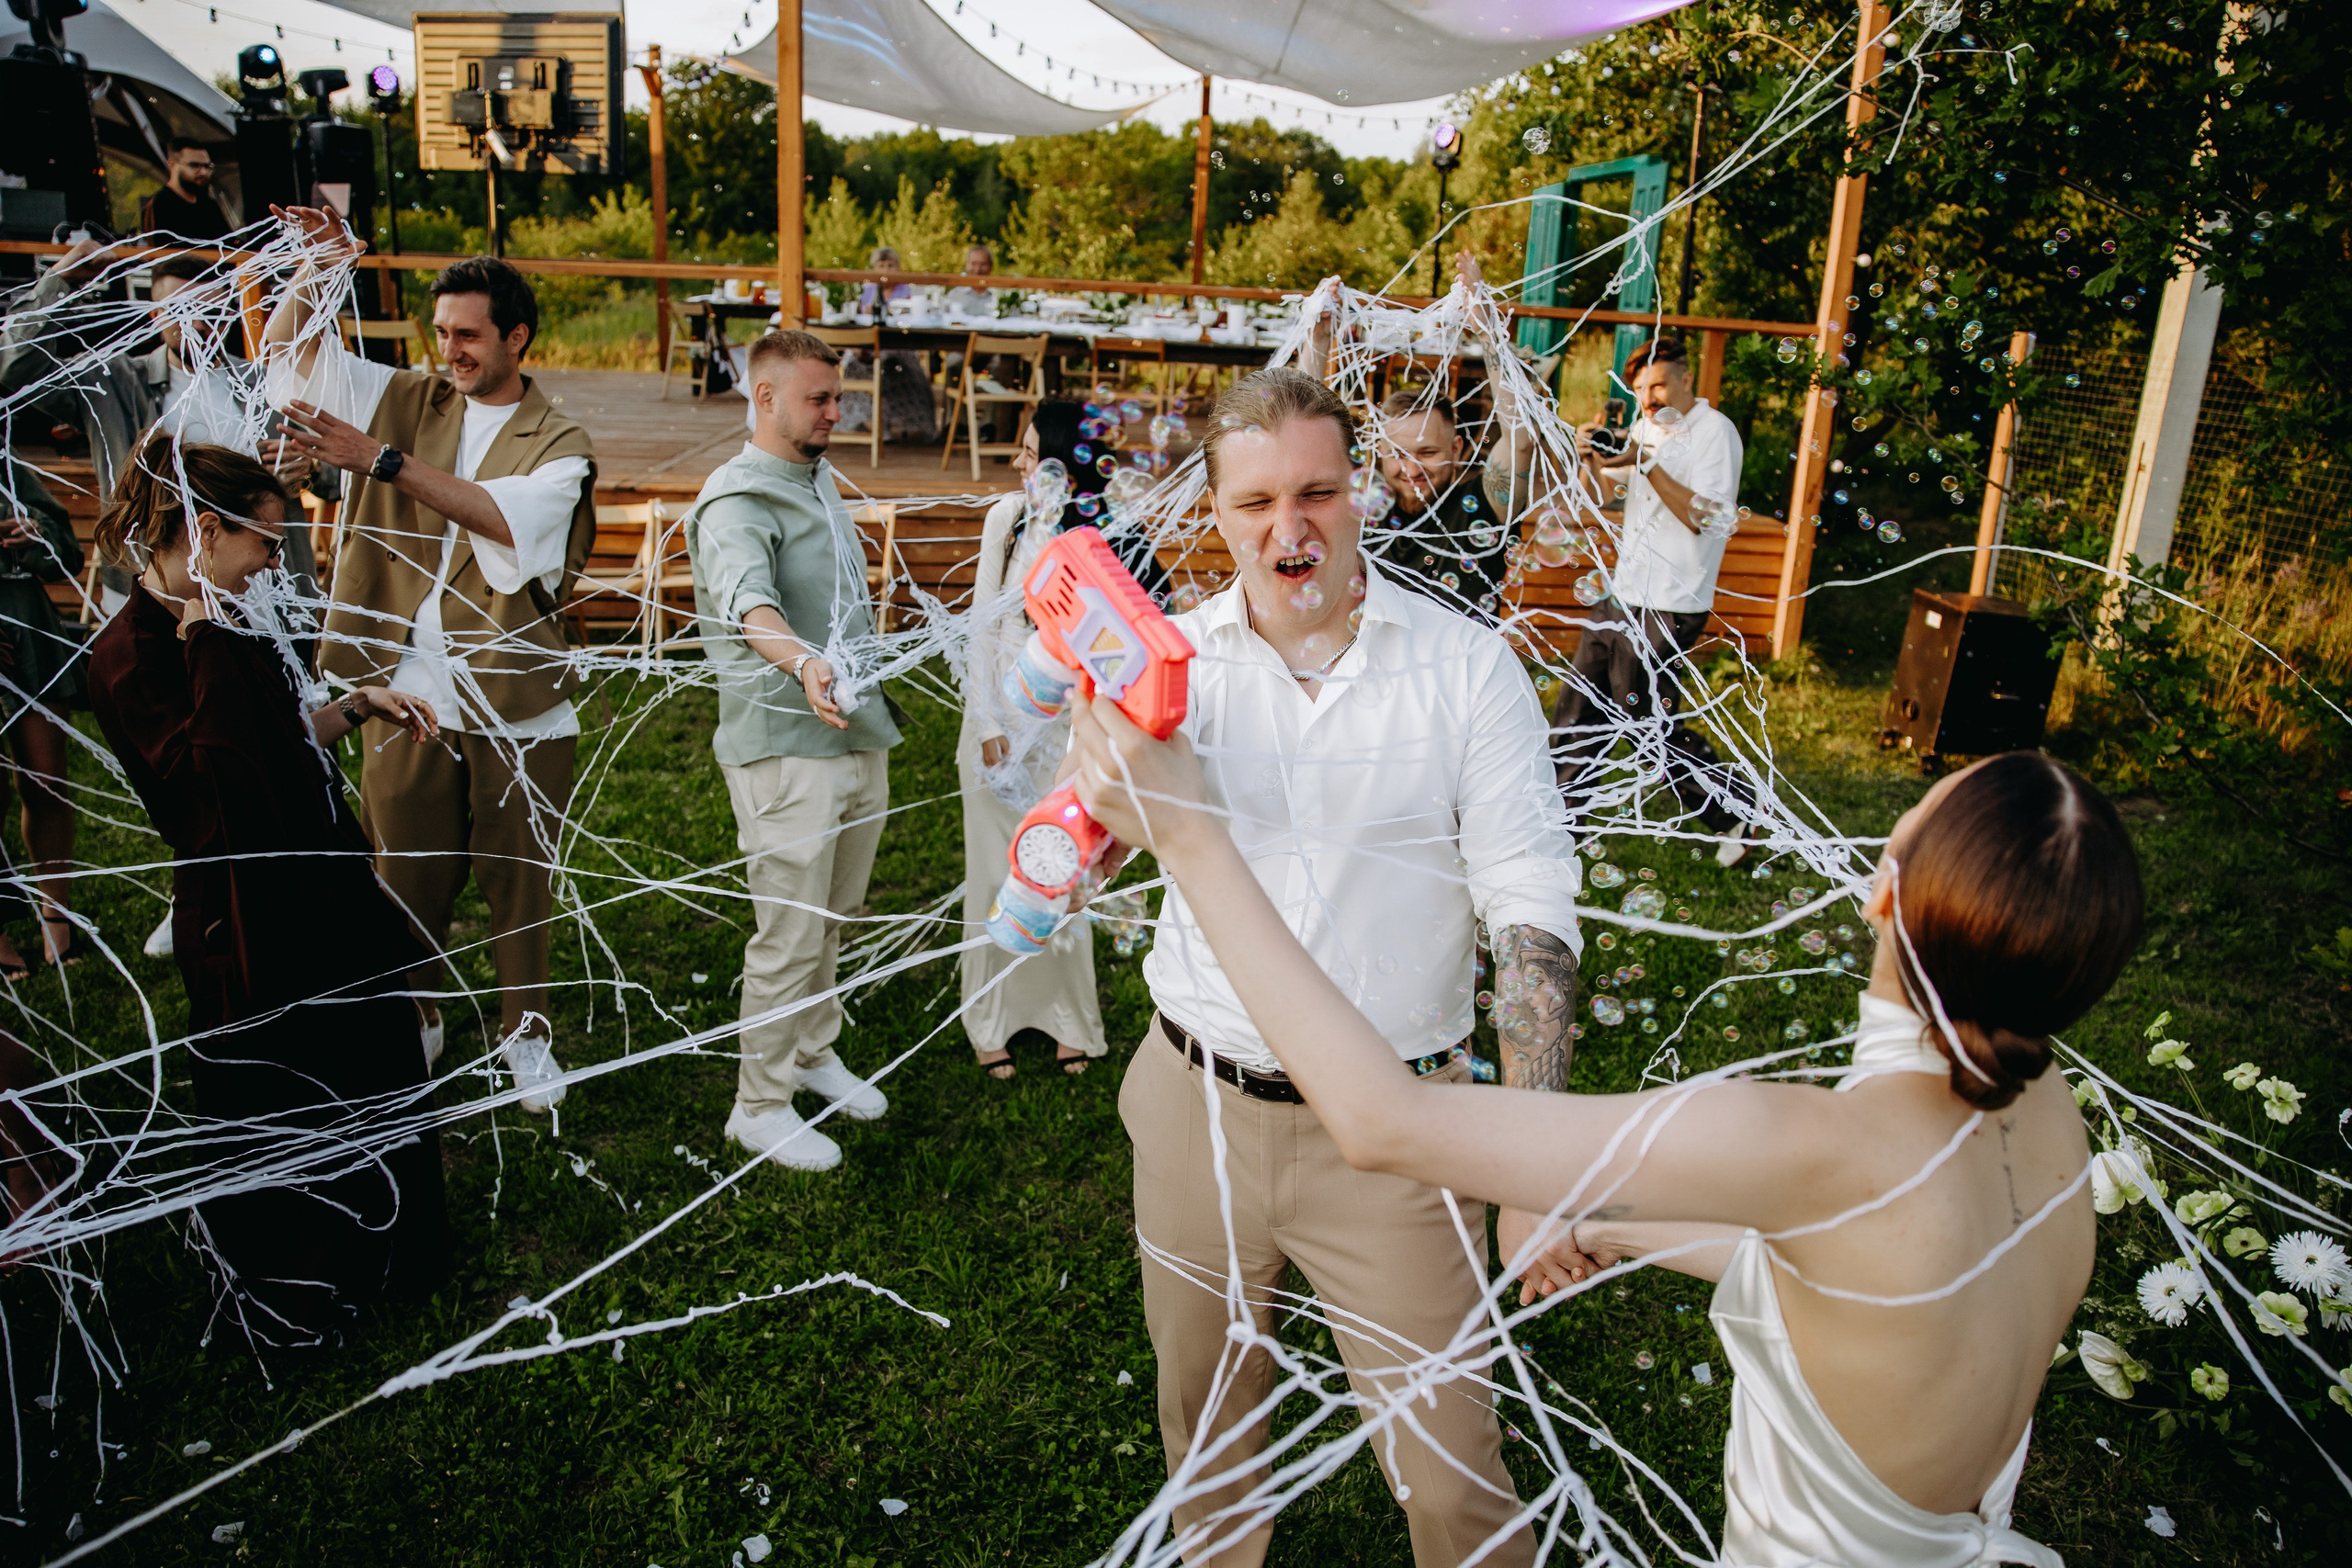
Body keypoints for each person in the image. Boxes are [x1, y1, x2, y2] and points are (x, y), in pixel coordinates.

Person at [1070, 712, 2141, 1568]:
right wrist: (1615, 1230)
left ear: (1881, 893)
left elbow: (1384, 1121)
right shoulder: (2046, 1125)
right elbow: (1876, 1290)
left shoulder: (1812, 1145)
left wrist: (1191, 834)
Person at [1091, 366, 1579, 1567]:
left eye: (1316, 491)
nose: (1289, 528)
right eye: (1255, 502)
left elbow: (1530, 913)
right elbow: (1085, 857)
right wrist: (1085, 799)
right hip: (1192, 1100)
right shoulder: (1168, 671)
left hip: (1405, 1134)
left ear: (1362, 491)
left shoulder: (1469, 670)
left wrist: (1530, 1150)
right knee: (1204, 1441)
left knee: (1451, 1468)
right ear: (1214, 513)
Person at [84, 434, 450, 1348]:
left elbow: (281, 748)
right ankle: (297, 1289)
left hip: (321, 882)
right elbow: (222, 794)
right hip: (251, 918)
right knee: (282, 1097)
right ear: (207, 532)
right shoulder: (136, 654)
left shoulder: (230, 621)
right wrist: (205, 627)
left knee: (370, 1062)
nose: (272, 565)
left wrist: (355, 706)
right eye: (264, 545)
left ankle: (386, 1256)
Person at [260, 204, 596, 1113]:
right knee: (402, 871)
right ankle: (419, 1017)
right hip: (400, 686)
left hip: (517, 695)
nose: (450, 350)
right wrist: (316, 269)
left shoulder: (559, 441)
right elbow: (286, 361)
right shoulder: (409, 396)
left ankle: (527, 1038)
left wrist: (383, 462)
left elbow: (506, 523)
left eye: (469, 335)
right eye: (441, 332)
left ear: (516, 337)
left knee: (518, 881)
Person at [683, 330, 903, 1173]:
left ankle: (813, 1051)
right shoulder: (737, 501)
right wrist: (806, 662)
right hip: (785, 751)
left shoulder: (813, 480)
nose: (834, 413)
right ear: (764, 397)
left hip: (853, 735)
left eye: (836, 397)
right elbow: (751, 606)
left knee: (836, 917)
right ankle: (758, 1104)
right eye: (818, 399)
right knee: (788, 932)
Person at [1551, 336, 1755, 864]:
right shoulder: (1644, 429)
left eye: (1659, 384)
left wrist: (1646, 464)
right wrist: (1590, 459)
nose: (1648, 397)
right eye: (1641, 388)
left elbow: (1703, 518)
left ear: (1688, 379)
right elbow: (1604, 496)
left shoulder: (1716, 433)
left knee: (1646, 723)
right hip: (1624, 592)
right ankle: (1553, 825)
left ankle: (1734, 813)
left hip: (1672, 602)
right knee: (1578, 709)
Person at [956, 410, 1114, 1081]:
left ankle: (1066, 1019)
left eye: (1031, 455)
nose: (1021, 467)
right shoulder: (1008, 519)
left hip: (1065, 733)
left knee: (1060, 873)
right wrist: (989, 727)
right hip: (998, 722)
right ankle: (990, 1022)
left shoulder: (1103, 536)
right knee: (996, 874)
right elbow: (979, 630)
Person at [0, 461, 84, 974]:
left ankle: (55, 914)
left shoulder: (7, 467)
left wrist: (36, 537)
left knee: (46, 782)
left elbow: (67, 554)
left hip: (27, 628)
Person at [842, 247, 935, 444]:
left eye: (890, 266)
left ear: (898, 268)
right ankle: (864, 420)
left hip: (898, 344)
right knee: (851, 360)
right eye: (881, 265)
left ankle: (911, 423)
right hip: (868, 345)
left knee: (895, 365)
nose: (885, 270)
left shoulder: (907, 292)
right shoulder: (867, 290)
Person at [138, 140, 232, 241]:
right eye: (195, 165)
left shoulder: (209, 206)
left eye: (207, 166)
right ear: (172, 164)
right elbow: (162, 250)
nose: (203, 172)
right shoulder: (160, 205)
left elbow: (230, 240)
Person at [945, 243, 1000, 320]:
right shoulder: (955, 294)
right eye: (974, 264)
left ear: (991, 267)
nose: (978, 269)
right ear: (967, 265)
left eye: (983, 264)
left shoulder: (999, 295)